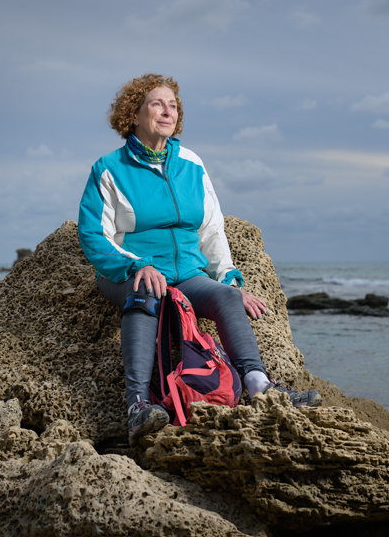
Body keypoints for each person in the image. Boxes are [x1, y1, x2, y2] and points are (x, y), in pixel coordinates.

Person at [78, 74, 321, 446]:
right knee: (147, 295)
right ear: (134, 115)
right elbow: (93, 234)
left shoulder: (191, 163)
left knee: (225, 298)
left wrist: (228, 279)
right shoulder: (109, 169)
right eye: (157, 104)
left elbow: (212, 229)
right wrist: (136, 266)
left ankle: (259, 387)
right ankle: (138, 406)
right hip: (128, 272)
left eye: (173, 105)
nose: (168, 110)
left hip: (187, 273)